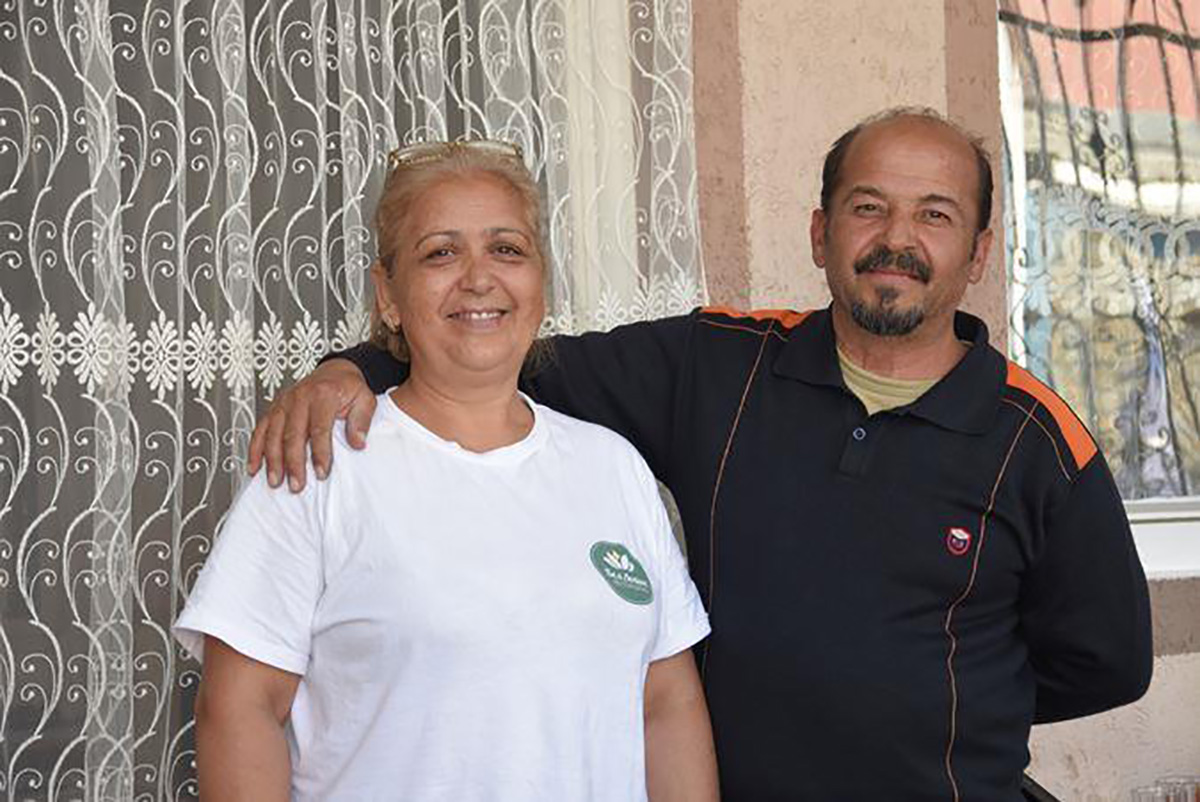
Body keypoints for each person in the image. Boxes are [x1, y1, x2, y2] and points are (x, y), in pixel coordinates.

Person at [249, 109, 1153, 801]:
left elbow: (1104, 661)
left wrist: (941, 699)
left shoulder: (1035, 437)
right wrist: (349, 368)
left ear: (981, 252)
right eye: (866, 207)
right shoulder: (715, 366)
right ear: (819, 232)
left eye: (936, 215)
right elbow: (502, 347)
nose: (896, 240)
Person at [175, 141, 718, 802]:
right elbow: (240, 709)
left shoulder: (613, 468)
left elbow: (665, 704)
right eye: (440, 252)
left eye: (507, 249)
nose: (479, 278)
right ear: (388, 296)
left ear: (541, 282)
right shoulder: (322, 462)